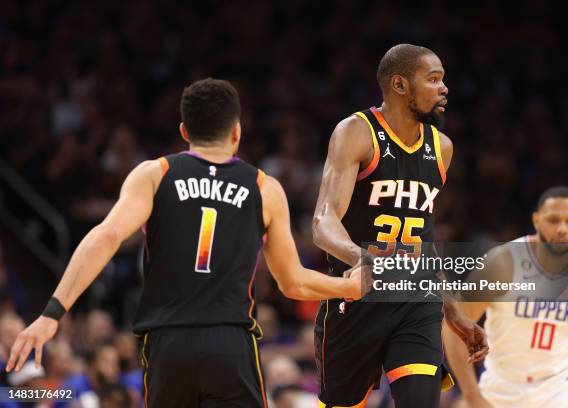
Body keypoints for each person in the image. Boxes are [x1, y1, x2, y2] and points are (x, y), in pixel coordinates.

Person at [5, 78, 368, 407]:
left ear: (184, 130)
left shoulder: (156, 173)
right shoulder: (264, 188)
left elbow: (106, 236)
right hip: (230, 343)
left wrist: (52, 313)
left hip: (168, 343)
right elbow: (293, 282)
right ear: (237, 132)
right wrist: (347, 287)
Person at [311, 43, 488, 408]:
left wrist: (451, 306)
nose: (444, 88)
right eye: (433, 79)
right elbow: (323, 221)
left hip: (415, 300)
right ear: (400, 85)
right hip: (356, 296)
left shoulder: (442, 148)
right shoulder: (356, 132)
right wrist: (359, 257)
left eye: (444, 80)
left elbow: (423, 235)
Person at [443, 186, 568, 408]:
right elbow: (453, 326)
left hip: (560, 392)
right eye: (553, 220)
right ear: (537, 220)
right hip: (501, 390)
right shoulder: (503, 263)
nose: (562, 229)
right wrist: (472, 395)